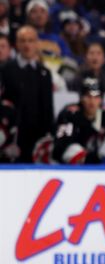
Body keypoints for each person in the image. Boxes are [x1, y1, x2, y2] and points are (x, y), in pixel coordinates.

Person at [1, 25, 53, 162]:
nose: (27, 45)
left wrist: (48, 135)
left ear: (37, 44)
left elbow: (48, 107)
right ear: (16, 44)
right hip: (11, 136)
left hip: (36, 136)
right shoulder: (6, 70)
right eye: (22, 41)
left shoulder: (44, 73)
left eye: (30, 40)